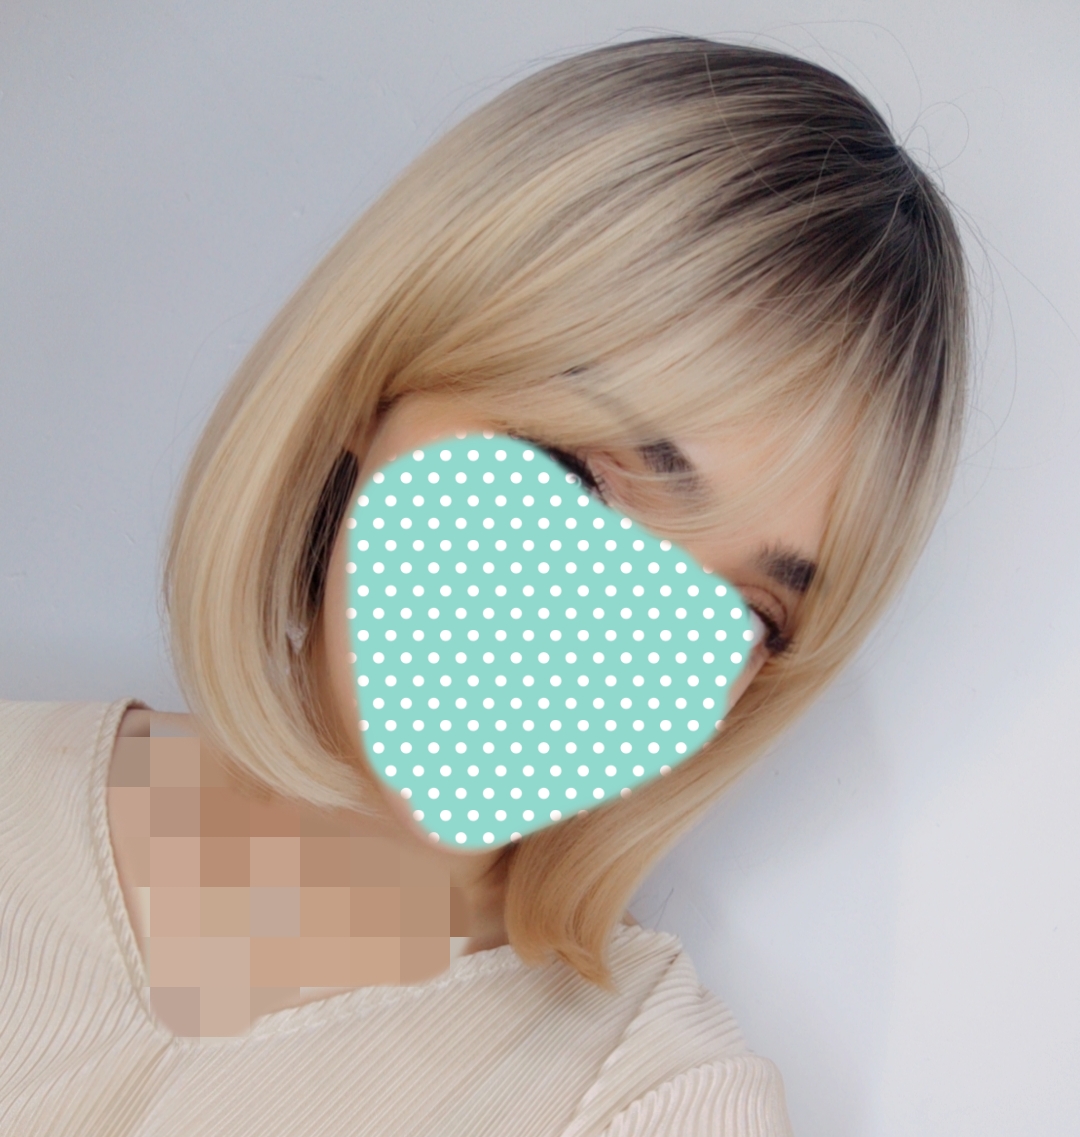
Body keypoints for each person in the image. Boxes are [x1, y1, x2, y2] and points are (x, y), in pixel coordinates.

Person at [0, 35, 969, 1136]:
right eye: (587, 478)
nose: (620, 650)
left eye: (745, 612)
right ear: (374, 382)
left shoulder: (652, 1103)